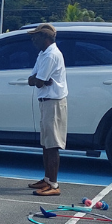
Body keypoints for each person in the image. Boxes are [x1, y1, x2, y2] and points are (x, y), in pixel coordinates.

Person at [27, 23, 67, 197]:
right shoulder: (42, 53)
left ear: (46, 37)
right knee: (45, 143)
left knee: (52, 145)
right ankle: (47, 179)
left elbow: (39, 81)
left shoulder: (51, 55)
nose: (33, 39)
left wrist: (39, 79)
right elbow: (32, 80)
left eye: (36, 36)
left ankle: (54, 184)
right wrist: (39, 79)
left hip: (54, 102)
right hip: (45, 101)